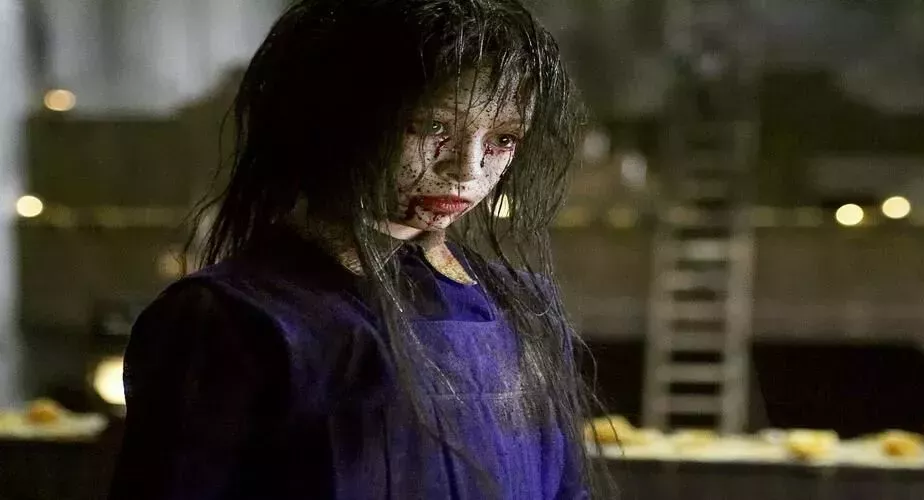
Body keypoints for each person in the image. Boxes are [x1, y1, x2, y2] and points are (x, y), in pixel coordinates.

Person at [108, 0, 606, 498]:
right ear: (340, 121)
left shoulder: (521, 309)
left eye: (503, 138)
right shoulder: (234, 318)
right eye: (433, 127)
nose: (468, 168)